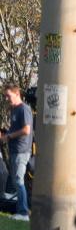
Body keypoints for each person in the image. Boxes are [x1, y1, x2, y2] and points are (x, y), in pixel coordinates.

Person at [2, 84, 33, 220]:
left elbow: (26, 130)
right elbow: (14, 129)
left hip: (22, 150)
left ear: (17, 94)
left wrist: (9, 136)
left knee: (19, 180)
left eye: (8, 95)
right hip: (14, 150)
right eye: (5, 96)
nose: (7, 98)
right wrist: (5, 134)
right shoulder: (14, 110)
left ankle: (23, 213)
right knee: (16, 181)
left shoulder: (24, 109)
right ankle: (22, 210)